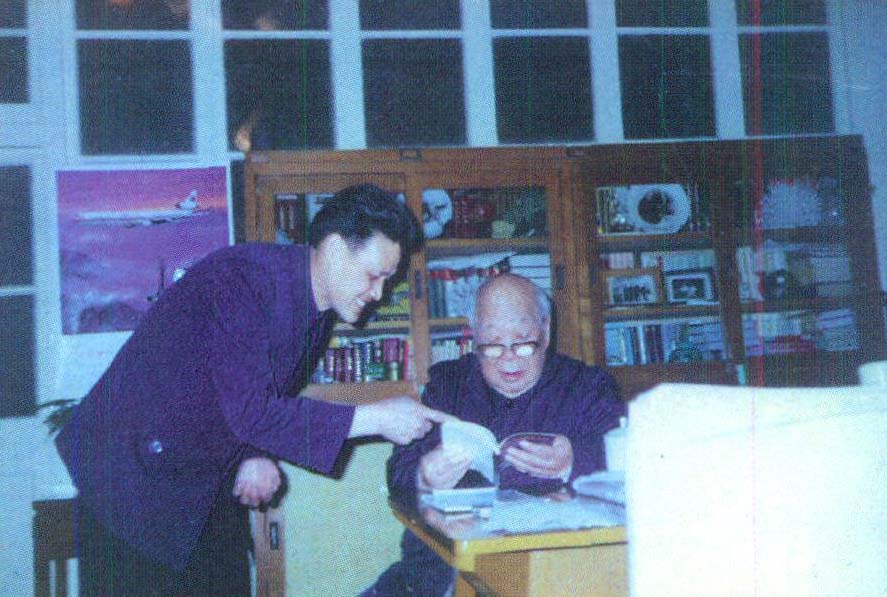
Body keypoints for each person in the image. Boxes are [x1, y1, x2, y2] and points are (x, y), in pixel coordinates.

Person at [55, 183, 450, 595]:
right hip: (127, 481)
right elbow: (253, 410)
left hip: (195, 479)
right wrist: (376, 418)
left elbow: (249, 394)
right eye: (374, 275)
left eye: (387, 280)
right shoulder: (241, 280)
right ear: (334, 249)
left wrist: (253, 454)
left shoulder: (317, 312)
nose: (379, 294)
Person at [363, 273, 626, 596]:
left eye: (523, 343)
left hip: (549, 574)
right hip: (444, 572)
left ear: (545, 331)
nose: (508, 357)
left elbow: (629, 471)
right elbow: (398, 474)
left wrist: (574, 461)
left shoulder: (589, 387)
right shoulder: (447, 384)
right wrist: (425, 476)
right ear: (474, 336)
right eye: (492, 345)